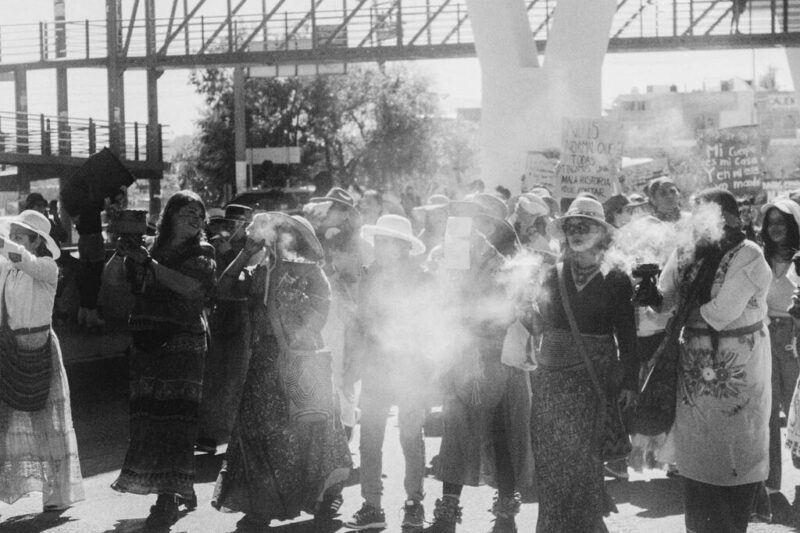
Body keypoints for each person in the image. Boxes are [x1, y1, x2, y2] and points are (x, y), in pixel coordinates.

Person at [212, 212, 351, 530]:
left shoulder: (312, 272)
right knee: (261, 431)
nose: (276, 239)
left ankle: (323, 495)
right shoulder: (260, 269)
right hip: (263, 361)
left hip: (304, 359)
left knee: (311, 428)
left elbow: (319, 314)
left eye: (285, 234)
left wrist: (291, 342)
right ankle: (260, 502)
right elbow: (223, 288)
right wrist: (246, 253)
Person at [659, 188, 771, 533]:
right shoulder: (688, 253)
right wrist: (650, 294)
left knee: (736, 447)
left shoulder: (749, 253)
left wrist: (681, 312)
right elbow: (665, 299)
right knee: (696, 454)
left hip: (739, 365)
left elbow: (723, 311)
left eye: (702, 214)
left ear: (727, 217)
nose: (695, 222)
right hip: (694, 366)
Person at [529, 196, 638, 532]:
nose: (577, 232)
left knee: (583, 463)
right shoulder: (551, 275)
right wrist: (519, 304)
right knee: (550, 460)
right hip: (550, 383)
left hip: (594, 384)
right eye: (572, 226)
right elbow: (538, 325)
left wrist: (629, 383)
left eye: (585, 226)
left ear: (601, 232)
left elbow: (628, 337)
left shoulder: (617, 279)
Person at [111, 191, 216, 528]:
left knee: (176, 419)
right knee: (148, 418)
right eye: (188, 211)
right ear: (170, 215)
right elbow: (113, 281)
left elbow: (191, 288)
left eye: (199, 213)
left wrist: (148, 263)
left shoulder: (204, 251)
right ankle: (179, 485)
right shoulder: (149, 246)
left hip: (184, 343)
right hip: (146, 342)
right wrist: (121, 252)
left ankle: (166, 499)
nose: (196, 218)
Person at [425, 204, 534, 533]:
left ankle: (504, 516)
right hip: (465, 358)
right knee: (456, 439)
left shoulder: (505, 262)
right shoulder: (457, 260)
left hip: (498, 360)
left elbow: (512, 310)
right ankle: (452, 515)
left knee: (499, 437)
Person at [344, 214, 432, 531]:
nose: (379, 246)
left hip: (409, 367)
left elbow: (431, 323)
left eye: (385, 241)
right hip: (376, 366)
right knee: (370, 439)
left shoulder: (421, 278)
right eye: (378, 240)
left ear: (401, 246)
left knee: (410, 437)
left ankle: (414, 503)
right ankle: (372, 505)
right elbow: (359, 322)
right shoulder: (368, 276)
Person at [0, 210, 84, 510]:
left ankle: (58, 493)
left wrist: (5, 245)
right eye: (13, 236)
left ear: (37, 242)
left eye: (20, 236)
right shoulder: (8, 268)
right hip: (9, 348)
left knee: (47, 424)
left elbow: (28, 263)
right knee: (4, 421)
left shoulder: (47, 267)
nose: (14, 241)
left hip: (40, 345)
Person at [758, 198, 800, 520]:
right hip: (764, 338)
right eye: (770, 221)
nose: (775, 227)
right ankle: (772, 485)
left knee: (797, 409)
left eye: (781, 221)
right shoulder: (758, 257)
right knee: (768, 413)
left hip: (795, 340)